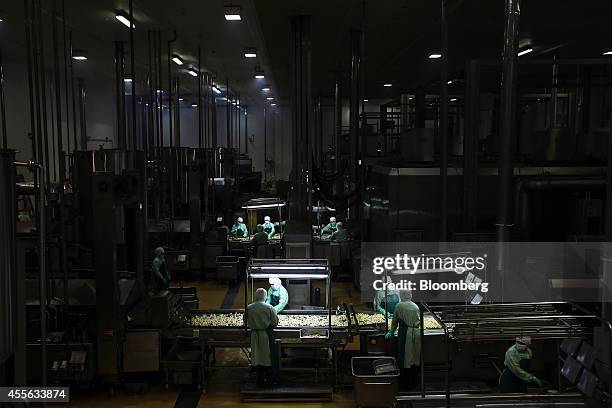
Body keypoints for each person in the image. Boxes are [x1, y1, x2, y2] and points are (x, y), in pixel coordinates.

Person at [246, 288, 279, 388]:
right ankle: (269, 381)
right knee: (267, 357)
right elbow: (275, 323)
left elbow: (245, 321)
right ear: (265, 297)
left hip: (254, 335)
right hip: (265, 335)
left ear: (255, 296)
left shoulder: (249, 308)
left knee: (257, 356)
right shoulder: (269, 307)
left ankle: (259, 380)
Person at [385, 300, 421, 390]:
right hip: (417, 333)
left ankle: (405, 384)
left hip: (406, 334)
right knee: (415, 358)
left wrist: (391, 332)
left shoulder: (399, 305)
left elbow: (395, 321)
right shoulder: (416, 306)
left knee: (405, 358)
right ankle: (414, 382)